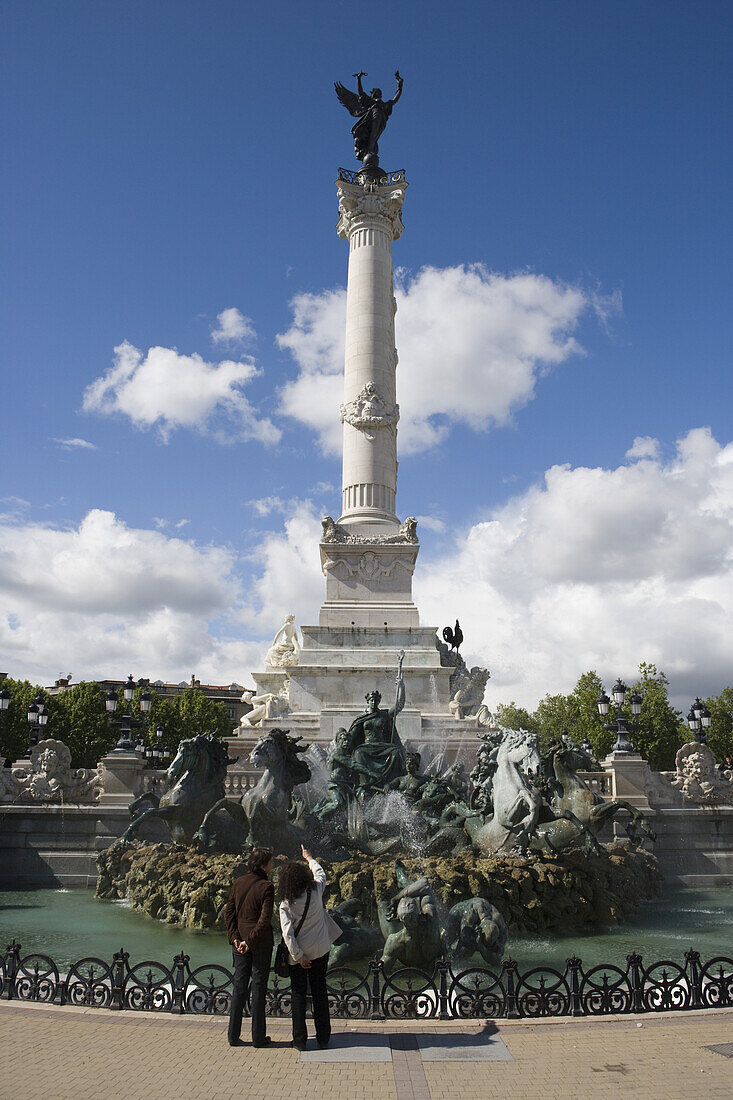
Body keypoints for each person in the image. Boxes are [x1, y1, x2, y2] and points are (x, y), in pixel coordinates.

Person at [278, 845, 342, 1052]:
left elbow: (287, 934)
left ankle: (299, 1040)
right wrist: (309, 858)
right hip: (320, 951)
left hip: (299, 958)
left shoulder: (285, 904)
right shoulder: (315, 891)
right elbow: (320, 874)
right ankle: (323, 1037)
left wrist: (298, 957)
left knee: (297, 994)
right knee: (319, 992)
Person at [224, 846, 275, 1048]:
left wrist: (235, 938)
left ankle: (233, 1036)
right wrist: (249, 941)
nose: (273, 864)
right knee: (259, 987)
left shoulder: (238, 882)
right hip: (259, 943)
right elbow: (264, 920)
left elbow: (229, 913)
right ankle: (258, 1037)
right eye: (271, 862)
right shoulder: (266, 886)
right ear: (263, 865)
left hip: (240, 943)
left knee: (239, 987)